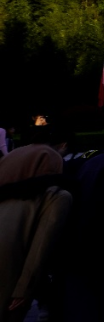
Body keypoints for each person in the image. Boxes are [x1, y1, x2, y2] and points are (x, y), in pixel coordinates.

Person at [0, 137, 73, 321]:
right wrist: (24, 290)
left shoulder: (5, 195)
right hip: (10, 274)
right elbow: (40, 247)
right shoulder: (56, 196)